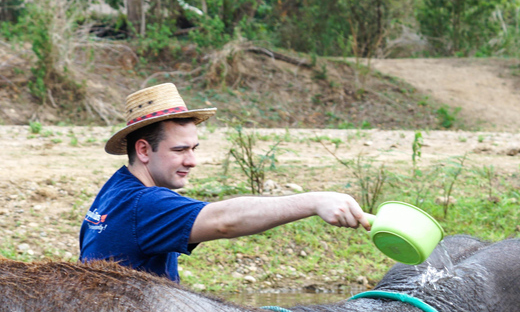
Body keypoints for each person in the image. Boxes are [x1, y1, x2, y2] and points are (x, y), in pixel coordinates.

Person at [79, 82, 370, 282]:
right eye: (179, 150)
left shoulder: (115, 188)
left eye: (194, 148)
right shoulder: (145, 205)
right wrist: (314, 201)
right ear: (143, 150)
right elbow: (224, 221)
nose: (192, 161)